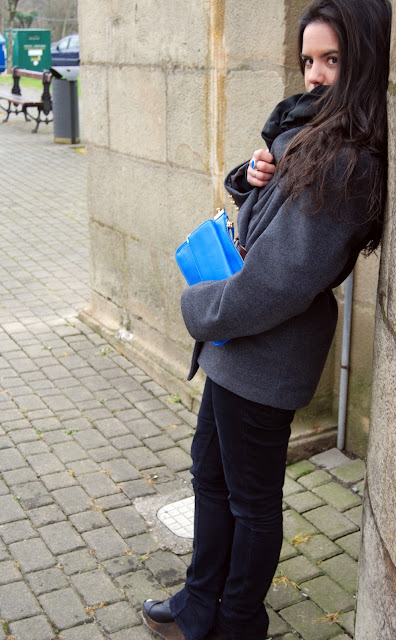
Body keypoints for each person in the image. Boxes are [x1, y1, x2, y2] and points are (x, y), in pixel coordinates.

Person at [142, 1, 391, 639]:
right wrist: (248, 178)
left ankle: (237, 621)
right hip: (240, 350)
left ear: (364, 62)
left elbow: (277, 281)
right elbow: (275, 218)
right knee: (210, 476)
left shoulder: (347, 161)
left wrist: (197, 309)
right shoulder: (313, 132)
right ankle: (201, 601)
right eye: (307, 59)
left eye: (332, 59)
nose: (315, 74)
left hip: (264, 352)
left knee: (250, 501)